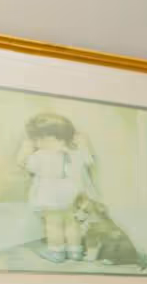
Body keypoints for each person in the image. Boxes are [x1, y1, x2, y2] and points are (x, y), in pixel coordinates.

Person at [16, 112, 97, 263]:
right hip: (75, 195)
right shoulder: (77, 152)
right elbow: (89, 161)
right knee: (73, 224)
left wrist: (25, 150)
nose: (36, 142)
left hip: (51, 196)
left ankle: (57, 252)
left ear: (46, 137)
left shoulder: (40, 155)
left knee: (53, 224)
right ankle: (75, 251)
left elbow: (25, 164)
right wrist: (83, 144)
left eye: (37, 139)